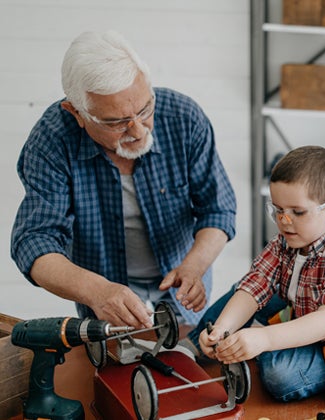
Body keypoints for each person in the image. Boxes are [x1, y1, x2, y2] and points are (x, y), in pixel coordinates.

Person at [10, 30, 236, 329]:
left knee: (185, 360)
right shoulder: (52, 141)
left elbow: (218, 210)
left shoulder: (184, 117)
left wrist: (195, 266)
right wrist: (96, 291)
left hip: (183, 281)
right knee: (113, 370)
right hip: (105, 289)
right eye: (116, 122)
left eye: (145, 110)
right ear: (77, 112)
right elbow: (34, 241)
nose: (139, 130)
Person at [197, 145, 325, 401]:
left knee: (279, 376)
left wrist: (266, 339)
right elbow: (255, 285)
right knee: (242, 290)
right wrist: (222, 329)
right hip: (304, 307)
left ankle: (267, 343)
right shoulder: (286, 239)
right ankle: (201, 342)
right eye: (278, 210)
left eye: (297, 212)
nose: (284, 221)